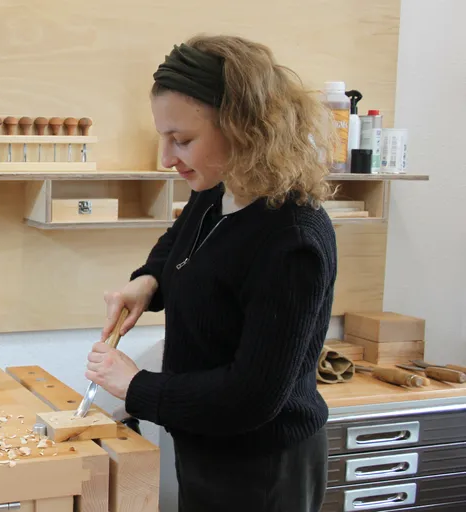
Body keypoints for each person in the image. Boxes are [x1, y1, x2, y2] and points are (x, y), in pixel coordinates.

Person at [84, 34, 338, 511]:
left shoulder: (292, 239)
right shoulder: (218, 189)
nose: (166, 157)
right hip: (206, 441)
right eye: (162, 136)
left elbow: (250, 397)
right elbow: (179, 245)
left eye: (181, 140)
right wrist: (149, 282)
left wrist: (135, 386)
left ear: (245, 129)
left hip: (264, 467)